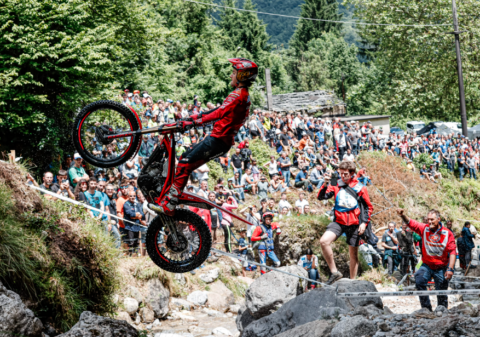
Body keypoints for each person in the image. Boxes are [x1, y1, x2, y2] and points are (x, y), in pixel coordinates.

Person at [151, 58, 258, 216]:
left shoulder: (237, 95)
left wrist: (192, 122)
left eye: (234, 73)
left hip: (218, 140)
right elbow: (217, 112)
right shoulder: (242, 95)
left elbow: (216, 113)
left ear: (242, 76)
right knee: (185, 157)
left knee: (185, 163)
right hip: (220, 139)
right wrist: (191, 120)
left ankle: (170, 204)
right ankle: (171, 194)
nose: (230, 76)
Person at [317, 160, 373, 285]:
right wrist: (325, 184)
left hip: (354, 224)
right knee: (324, 241)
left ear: (352, 173)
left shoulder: (360, 187)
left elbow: (369, 207)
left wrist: (364, 223)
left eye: (345, 174)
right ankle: (334, 272)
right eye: (341, 173)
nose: (342, 176)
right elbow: (322, 197)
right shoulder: (335, 181)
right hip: (338, 221)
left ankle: (352, 282)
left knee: (353, 255)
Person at [396, 208, 456, 311]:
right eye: (428, 219)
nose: (429, 222)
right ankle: (426, 309)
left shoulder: (447, 233)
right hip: (427, 265)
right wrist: (402, 215)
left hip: (441, 267)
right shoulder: (424, 229)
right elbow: (411, 223)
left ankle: (442, 311)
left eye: (432, 219)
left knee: (441, 290)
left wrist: (450, 269)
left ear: (438, 219)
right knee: (419, 279)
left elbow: (453, 252)